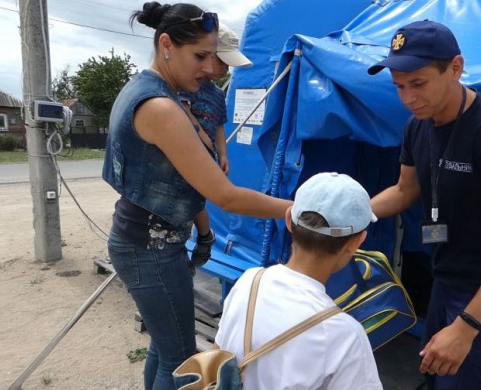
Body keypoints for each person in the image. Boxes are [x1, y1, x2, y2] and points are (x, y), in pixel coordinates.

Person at [102, 3, 291, 389]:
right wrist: (295, 208)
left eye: (211, 56)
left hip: (143, 240)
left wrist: (203, 233)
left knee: (164, 346)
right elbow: (227, 197)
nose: (209, 68)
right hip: (151, 249)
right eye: (200, 56)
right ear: (167, 44)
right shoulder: (161, 107)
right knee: (182, 359)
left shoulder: (150, 89)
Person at [367, 20, 481, 389]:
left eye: (418, 84)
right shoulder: (418, 125)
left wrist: (466, 327)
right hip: (447, 275)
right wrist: (344, 215)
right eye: (399, 87)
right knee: (435, 371)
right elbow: (404, 191)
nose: (408, 98)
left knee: (468, 377)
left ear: (455, 68)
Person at [214, 172, 383, 390]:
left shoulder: (249, 281)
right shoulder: (345, 335)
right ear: (356, 242)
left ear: (288, 220)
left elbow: (216, 359)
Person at [179, 24, 254, 273]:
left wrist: (222, 153)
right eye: (222, 62)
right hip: (188, 152)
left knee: (199, 197)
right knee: (188, 198)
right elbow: (185, 114)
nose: (224, 71)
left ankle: (203, 237)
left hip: (207, 154)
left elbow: (220, 125)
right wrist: (202, 138)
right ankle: (196, 241)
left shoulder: (216, 93)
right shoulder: (186, 85)